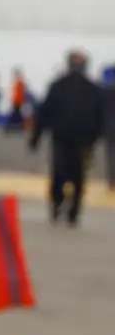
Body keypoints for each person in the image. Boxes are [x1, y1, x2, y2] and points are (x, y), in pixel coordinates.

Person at [29, 50, 106, 226]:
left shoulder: (92, 89)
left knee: (77, 176)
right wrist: (36, 136)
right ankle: (58, 203)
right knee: (60, 173)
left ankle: (73, 210)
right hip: (62, 138)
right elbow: (44, 112)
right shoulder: (58, 86)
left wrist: (96, 136)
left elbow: (101, 115)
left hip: (82, 140)